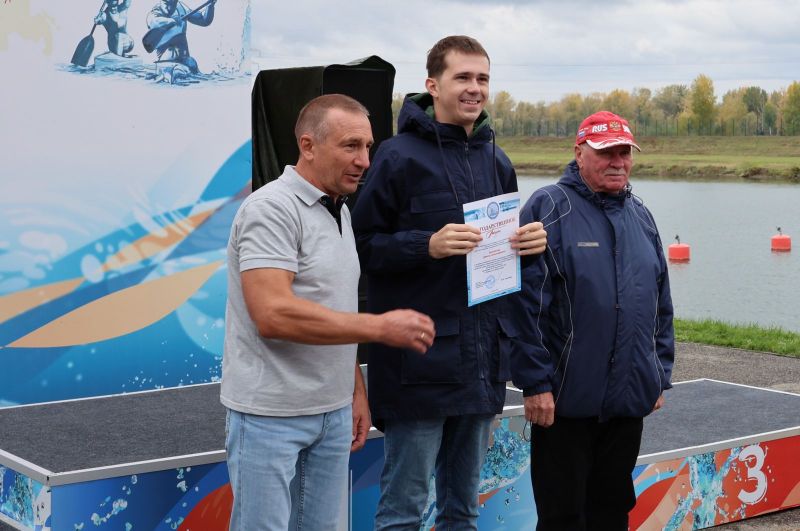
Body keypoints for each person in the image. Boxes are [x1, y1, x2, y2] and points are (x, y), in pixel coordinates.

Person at [351, 35, 547, 529]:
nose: (474, 88)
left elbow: (504, 275)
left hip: (481, 368)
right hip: (418, 367)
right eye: (463, 77)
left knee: (462, 512)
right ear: (433, 85)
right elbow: (360, 248)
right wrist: (427, 245)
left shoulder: (497, 161)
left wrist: (526, 248)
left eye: (483, 78)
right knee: (403, 512)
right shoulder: (396, 157)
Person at [220, 94, 435, 531]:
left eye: (368, 146)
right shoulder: (270, 209)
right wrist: (378, 327)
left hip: (332, 413)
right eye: (350, 146)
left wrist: (353, 389)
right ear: (308, 145)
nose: (365, 161)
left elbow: (331, 305)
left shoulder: (340, 210)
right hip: (270, 415)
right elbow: (273, 314)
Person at [510, 110, 675, 530]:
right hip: (565, 403)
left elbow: (661, 302)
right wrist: (535, 383)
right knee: (563, 517)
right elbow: (524, 305)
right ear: (579, 153)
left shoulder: (641, 215)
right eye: (606, 152)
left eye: (625, 152)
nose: (618, 161)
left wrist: (657, 373)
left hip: (627, 401)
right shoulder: (549, 206)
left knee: (612, 510)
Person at [145, 0, 216, 73]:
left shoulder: (182, 7)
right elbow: (153, 22)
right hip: (165, 62)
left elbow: (204, 21)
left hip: (184, 62)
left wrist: (210, 6)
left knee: (192, 63)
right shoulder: (157, 10)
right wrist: (172, 20)